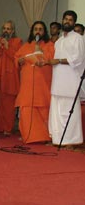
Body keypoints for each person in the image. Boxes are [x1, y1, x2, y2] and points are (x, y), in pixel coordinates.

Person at [48, 10, 85, 148]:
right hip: (58, 81)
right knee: (57, 111)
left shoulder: (78, 38)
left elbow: (78, 59)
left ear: (74, 22)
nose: (67, 22)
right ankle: (58, 140)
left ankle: (72, 141)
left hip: (70, 82)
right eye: (65, 19)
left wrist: (57, 61)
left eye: (70, 20)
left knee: (70, 111)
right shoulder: (59, 40)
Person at [15, 21, 54, 144]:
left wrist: (40, 51)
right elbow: (17, 57)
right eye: (36, 29)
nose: (38, 31)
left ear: (44, 32)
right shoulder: (26, 45)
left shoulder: (50, 45)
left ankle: (44, 136)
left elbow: (51, 59)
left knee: (43, 109)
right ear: (32, 31)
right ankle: (28, 135)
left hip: (42, 83)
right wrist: (19, 61)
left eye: (40, 29)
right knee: (26, 109)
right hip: (27, 84)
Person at [0, 20, 22, 135]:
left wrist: (7, 47)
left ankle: (7, 128)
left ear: (12, 31)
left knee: (8, 105)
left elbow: (17, 58)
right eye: (4, 28)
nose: (6, 31)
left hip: (10, 78)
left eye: (8, 29)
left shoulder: (18, 42)